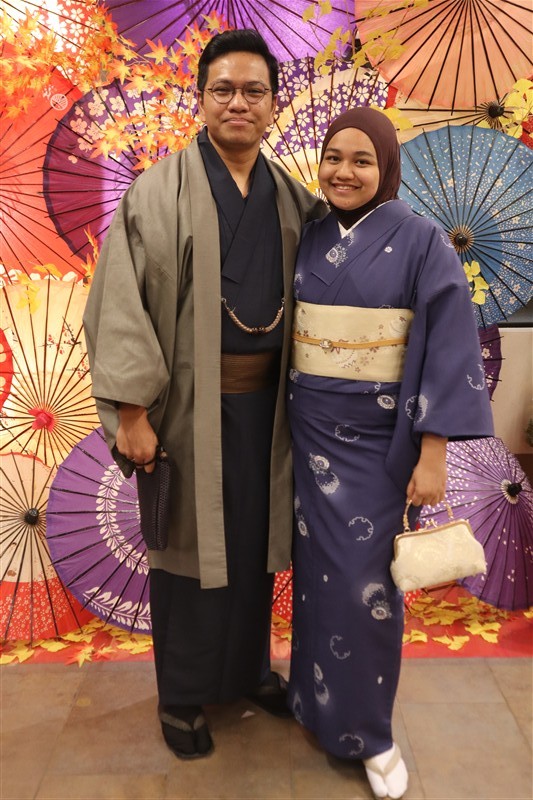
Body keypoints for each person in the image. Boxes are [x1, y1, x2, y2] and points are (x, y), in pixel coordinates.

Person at [83, 29, 326, 760]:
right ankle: (183, 694)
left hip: (271, 413)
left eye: (254, 90)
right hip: (186, 410)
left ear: (274, 104)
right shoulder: (157, 192)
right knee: (189, 555)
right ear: (200, 98)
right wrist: (131, 412)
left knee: (253, 546)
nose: (238, 103)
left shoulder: (292, 199)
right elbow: (119, 305)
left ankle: (249, 670)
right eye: (223, 89)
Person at [286, 108, 494, 800]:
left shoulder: (422, 241)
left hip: (379, 445)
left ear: (386, 167)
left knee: (365, 587)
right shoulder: (311, 235)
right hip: (309, 431)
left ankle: (371, 735)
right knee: (318, 583)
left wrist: (432, 453)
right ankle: (314, 703)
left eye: (361, 160)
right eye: (333, 158)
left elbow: (448, 349)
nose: (343, 172)